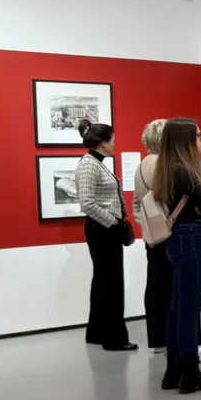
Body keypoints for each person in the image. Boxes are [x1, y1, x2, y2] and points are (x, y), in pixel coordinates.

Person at [153, 118, 201, 395]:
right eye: (198, 135)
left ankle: (173, 369)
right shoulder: (186, 172)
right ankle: (190, 371)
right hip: (191, 239)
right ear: (185, 140)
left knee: (177, 305)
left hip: (176, 240)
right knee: (189, 308)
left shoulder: (167, 169)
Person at [75, 119, 136, 352]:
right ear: (102, 143)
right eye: (112, 141)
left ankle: (98, 332)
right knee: (111, 283)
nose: (115, 144)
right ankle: (114, 339)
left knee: (103, 280)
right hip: (103, 230)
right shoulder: (89, 165)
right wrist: (113, 222)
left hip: (104, 229)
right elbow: (87, 203)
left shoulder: (95, 163)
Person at [133, 119, 170, 352]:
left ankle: (157, 339)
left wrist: (146, 227)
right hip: (168, 233)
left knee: (155, 286)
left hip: (152, 235)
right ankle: (168, 337)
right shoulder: (162, 165)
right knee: (171, 288)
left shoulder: (141, 165)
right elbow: (168, 199)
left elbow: (137, 204)